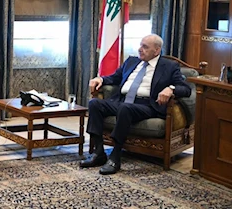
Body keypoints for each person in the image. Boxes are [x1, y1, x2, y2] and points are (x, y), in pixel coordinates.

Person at [80, 34, 191, 175]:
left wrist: (171, 89)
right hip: (122, 101)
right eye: (140, 45)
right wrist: (100, 79)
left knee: (125, 108)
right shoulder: (132, 62)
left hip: (146, 106)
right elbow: (115, 78)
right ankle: (99, 152)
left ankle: (115, 156)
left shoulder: (169, 66)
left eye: (145, 47)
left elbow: (186, 89)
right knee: (95, 103)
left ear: (156, 51)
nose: (140, 49)